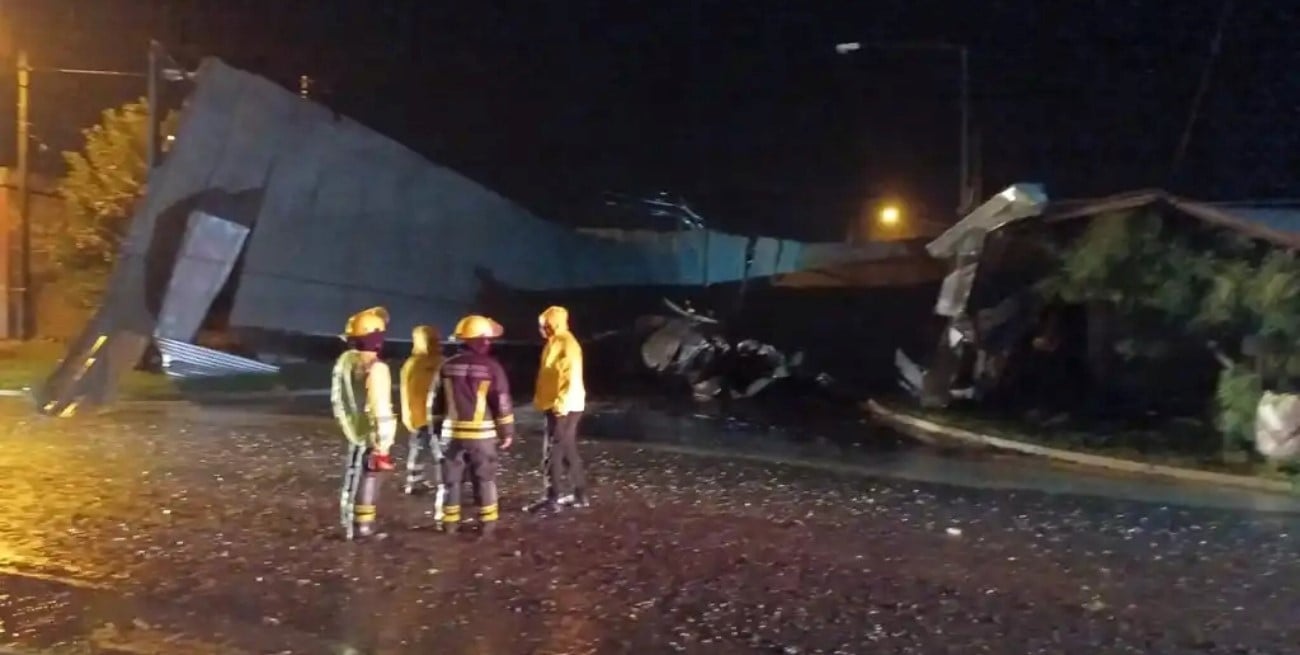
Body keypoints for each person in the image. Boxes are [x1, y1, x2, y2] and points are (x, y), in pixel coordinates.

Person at [429, 314, 516, 535]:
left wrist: (435, 432)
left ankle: (448, 524)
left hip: (451, 435)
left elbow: (435, 404)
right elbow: (501, 402)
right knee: (484, 479)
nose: (489, 343)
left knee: (450, 481)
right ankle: (487, 526)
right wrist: (507, 432)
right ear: (481, 340)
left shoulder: (446, 367)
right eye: (487, 339)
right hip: (482, 437)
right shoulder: (492, 368)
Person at [331, 306, 398, 540]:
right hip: (371, 435)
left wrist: (349, 427)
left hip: (354, 432)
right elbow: (379, 408)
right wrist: (383, 443)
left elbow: (338, 400)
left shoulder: (344, 361)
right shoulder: (377, 368)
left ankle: (348, 522)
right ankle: (363, 528)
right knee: (368, 480)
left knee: (352, 476)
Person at [533, 305, 589, 510]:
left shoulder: (565, 344)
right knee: (566, 450)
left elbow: (569, 376)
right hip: (565, 404)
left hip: (563, 406)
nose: (541, 329)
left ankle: (552, 497)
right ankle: (579, 494)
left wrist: (560, 405)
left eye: (544, 325)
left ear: (552, 324)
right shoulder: (557, 342)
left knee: (553, 452)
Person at [401, 324, 445, 496]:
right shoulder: (435, 363)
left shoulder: (413, 364)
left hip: (423, 417)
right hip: (432, 417)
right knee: (438, 450)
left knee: (420, 449)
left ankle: (414, 481)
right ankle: (440, 483)